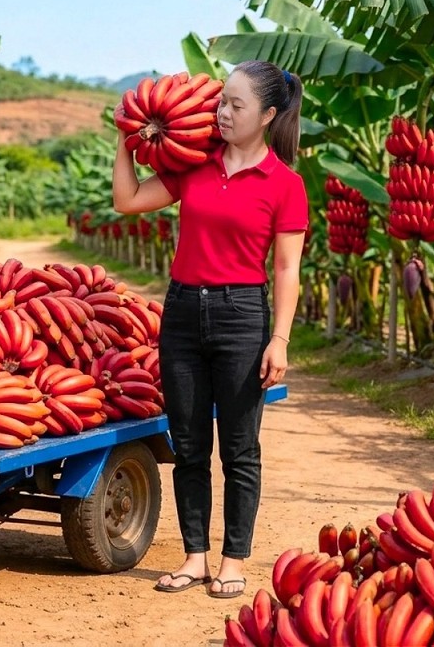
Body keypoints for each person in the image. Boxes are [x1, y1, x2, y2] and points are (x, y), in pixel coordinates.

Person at [111, 60, 309, 598]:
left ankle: (233, 560)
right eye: (221, 101)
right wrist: (127, 142)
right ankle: (195, 557)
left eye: (235, 105)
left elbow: (286, 269)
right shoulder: (194, 165)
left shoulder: (285, 184)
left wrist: (280, 339)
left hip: (242, 315)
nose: (222, 112)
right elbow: (127, 201)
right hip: (181, 313)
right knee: (190, 446)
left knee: (240, 450)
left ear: (267, 115)